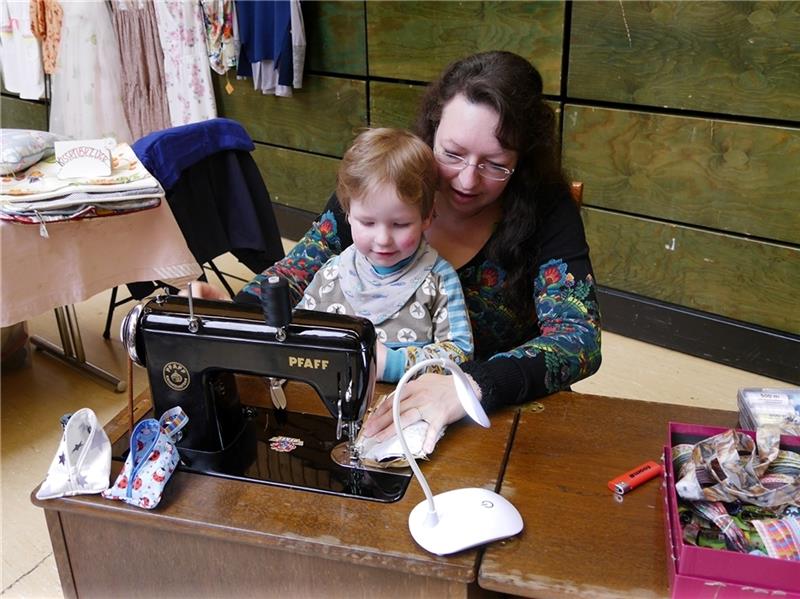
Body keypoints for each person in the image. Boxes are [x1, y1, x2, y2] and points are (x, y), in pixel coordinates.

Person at [202, 50, 602, 453]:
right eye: (452, 153)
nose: (466, 179)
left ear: (522, 161)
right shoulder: (383, 185)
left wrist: (467, 387)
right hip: (369, 408)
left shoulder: (546, 210)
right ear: (432, 131)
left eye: (495, 165)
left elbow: (578, 338)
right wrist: (230, 317)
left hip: (491, 419)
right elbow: (296, 273)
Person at [295, 127, 473, 383]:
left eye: (400, 225)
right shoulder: (333, 274)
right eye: (367, 223)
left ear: (426, 217)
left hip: (410, 410)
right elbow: (299, 332)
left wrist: (392, 364)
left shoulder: (438, 280)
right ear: (347, 214)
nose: (382, 239)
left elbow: (460, 354)